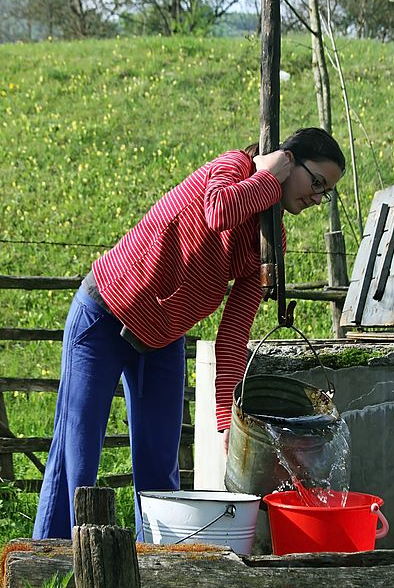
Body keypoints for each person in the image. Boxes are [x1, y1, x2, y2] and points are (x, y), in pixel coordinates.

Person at [32, 127, 346, 540]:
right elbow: (217, 212)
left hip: (161, 342)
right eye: (317, 182)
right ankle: (49, 567)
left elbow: (233, 337)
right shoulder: (233, 168)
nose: (316, 197)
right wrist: (270, 174)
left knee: (160, 470)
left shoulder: (269, 242)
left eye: (326, 193)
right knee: (77, 458)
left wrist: (224, 425)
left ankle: (155, 569)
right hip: (105, 316)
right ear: (289, 160)